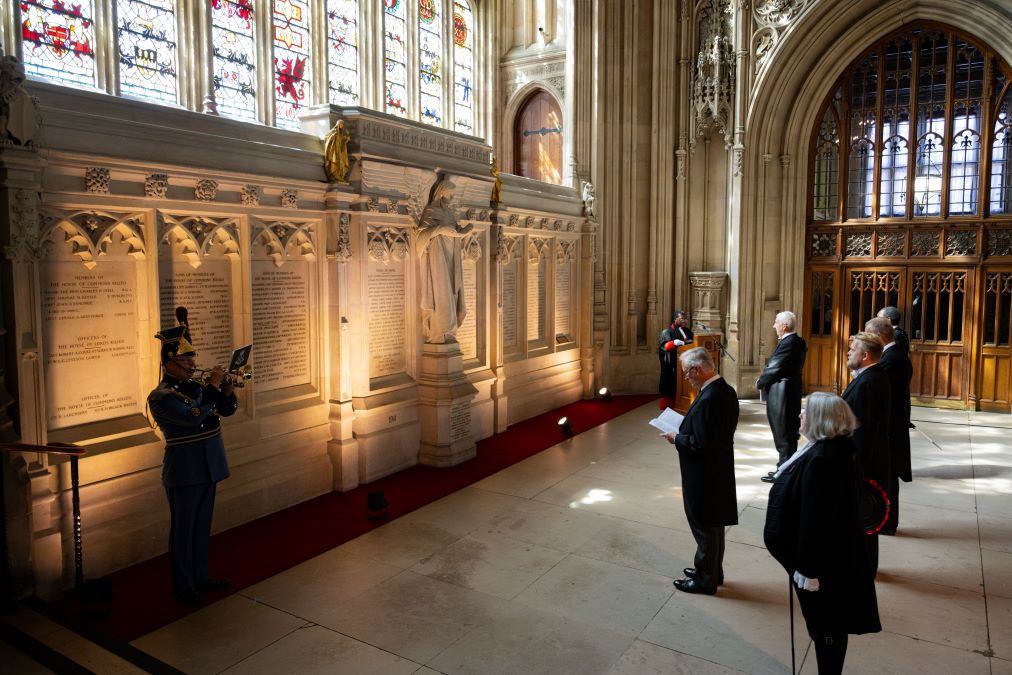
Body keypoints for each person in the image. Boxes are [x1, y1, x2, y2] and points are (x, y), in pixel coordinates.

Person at [764, 392, 881, 675]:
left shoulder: (823, 461)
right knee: (827, 623)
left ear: (820, 419)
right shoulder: (832, 448)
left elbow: (816, 521)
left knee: (827, 625)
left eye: (805, 411)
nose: (800, 415)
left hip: (823, 565)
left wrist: (808, 570)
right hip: (827, 558)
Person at [149, 308, 238, 605]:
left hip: (210, 464)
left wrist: (226, 392)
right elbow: (192, 418)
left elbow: (225, 411)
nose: (192, 364)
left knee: (201, 527)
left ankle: (201, 576)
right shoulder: (161, 396)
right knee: (184, 530)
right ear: (169, 364)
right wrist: (212, 388)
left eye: (192, 359)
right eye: (185, 360)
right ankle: (184, 584)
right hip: (185, 470)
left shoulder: (197, 387)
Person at [662, 347, 738, 595]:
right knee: (714, 525)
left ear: (697, 369)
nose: (687, 378)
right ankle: (713, 571)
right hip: (717, 469)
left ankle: (705, 580)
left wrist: (676, 438)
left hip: (704, 474)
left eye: (687, 373)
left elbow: (700, 444)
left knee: (704, 526)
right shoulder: (725, 390)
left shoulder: (709, 398)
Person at [840, 331, 890, 575]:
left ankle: (864, 568)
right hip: (867, 462)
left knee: (862, 517)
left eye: (853, 349)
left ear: (866, 355)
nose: (849, 352)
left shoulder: (868, 384)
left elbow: (863, 432)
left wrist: (855, 469)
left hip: (863, 465)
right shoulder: (872, 377)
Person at [866, 317, 913, 535]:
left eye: (868, 333)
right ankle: (885, 521)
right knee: (886, 477)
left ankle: (887, 522)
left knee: (889, 478)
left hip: (890, 429)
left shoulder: (892, 358)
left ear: (879, 335)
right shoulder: (891, 355)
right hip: (890, 426)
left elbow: (876, 389)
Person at [416, 177, 474, 344]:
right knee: (441, 292)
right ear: (441, 194)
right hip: (437, 257)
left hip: (452, 258)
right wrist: (440, 229)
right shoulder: (431, 211)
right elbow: (421, 235)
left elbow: (456, 232)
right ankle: (439, 332)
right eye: (450, 195)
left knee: (453, 292)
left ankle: (449, 332)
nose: (452, 198)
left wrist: (464, 231)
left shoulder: (450, 213)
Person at [756, 310, 807, 483]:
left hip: (783, 393)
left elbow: (775, 367)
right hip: (787, 391)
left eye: (776, 322)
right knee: (786, 434)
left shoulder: (790, 343)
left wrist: (760, 382)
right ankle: (784, 469)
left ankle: (784, 473)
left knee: (783, 434)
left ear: (784, 326)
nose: (774, 326)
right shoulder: (796, 341)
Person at [657, 311, 694, 408]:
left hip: (685, 364)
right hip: (672, 365)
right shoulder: (666, 332)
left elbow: (693, 342)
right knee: (670, 385)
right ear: (675, 319)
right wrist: (674, 343)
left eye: (686, 319)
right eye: (682, 319)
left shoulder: (688, 331)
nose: (685, 321)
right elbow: (664, 346)